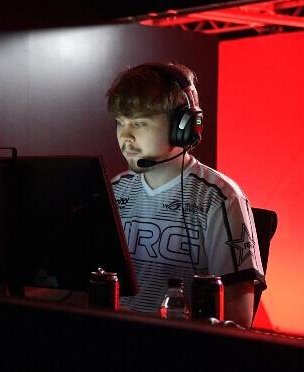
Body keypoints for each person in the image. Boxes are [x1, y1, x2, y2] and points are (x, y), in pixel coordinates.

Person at [106, 62, 265, 328]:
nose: (126, 136)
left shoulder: (219, 198)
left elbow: (238, 318)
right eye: (121, 123)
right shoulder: (113, 190)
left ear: (183, 125)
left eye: (140, 123)